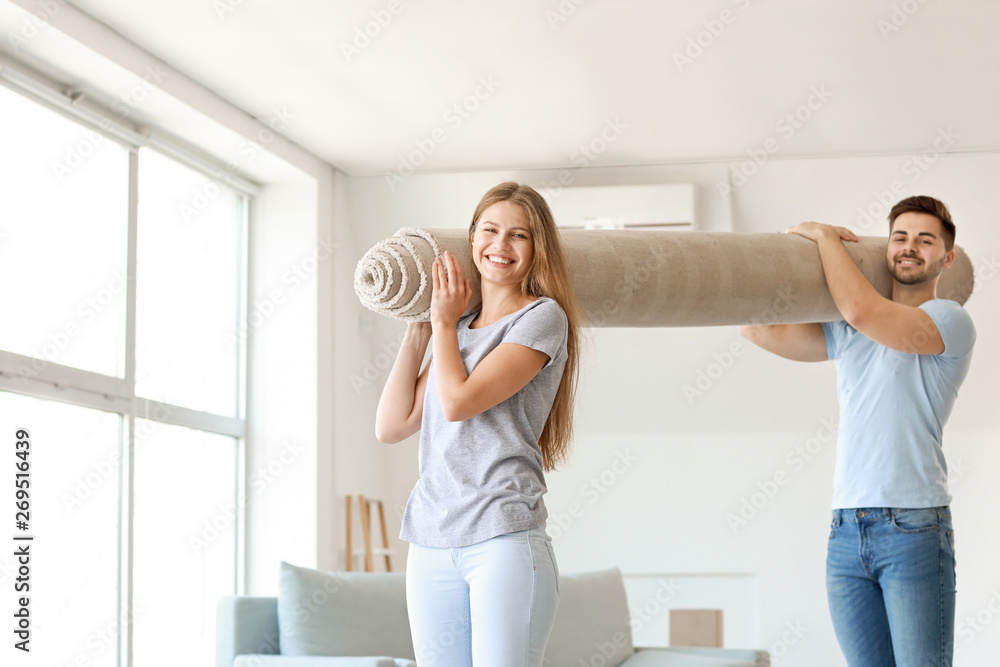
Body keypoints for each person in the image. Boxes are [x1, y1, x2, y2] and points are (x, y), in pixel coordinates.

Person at [740, 195, 975, 666]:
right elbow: (756, 329)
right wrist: (790, 255)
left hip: (914, 528)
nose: (910, 247)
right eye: (900, 237)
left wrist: (825, 237)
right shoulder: (850, 334)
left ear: (946, 259)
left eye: (925, 240)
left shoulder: (950, 320)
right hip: (846, 529)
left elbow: (863, 310)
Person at [375, 182, 583, 666]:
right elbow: (391, 425)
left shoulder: (541, 318)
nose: (501, 245)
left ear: (537, 249)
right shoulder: (459, 328)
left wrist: (444, 326)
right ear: (472, 240)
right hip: (430, 538)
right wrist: (420, 331)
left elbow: (458, 403)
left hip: (502, 536)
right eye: (490, 231)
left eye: (519, 236)